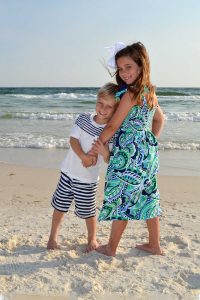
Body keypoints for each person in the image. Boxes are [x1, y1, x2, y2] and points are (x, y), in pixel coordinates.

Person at [91, 42, 165, 256]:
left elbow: (113, 125)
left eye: (128, 67)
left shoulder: (131, 94)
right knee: (148, 195)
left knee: (122, 197)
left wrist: (97, 146)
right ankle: (154, 244)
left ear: (141, 66)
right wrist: (148, 141)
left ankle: (111, 247)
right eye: (120, 69)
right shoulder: (150, 92)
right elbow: (160, 120)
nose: (123, 73)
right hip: (147, 154)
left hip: (128, 154)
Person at [47, 82, 119, 252]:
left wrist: (104, 152)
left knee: (88, 211)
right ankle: (52, 239)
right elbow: (73, 140)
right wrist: (84, 157)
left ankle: (92, 239)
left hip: (87, 180)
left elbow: (109, 160)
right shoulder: (83, 118)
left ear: (116, 110)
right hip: (68, 172)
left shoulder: (111, 131)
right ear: (96, 101)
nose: (103, 109)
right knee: (59, 207)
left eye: (109, 107)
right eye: (100, 103)